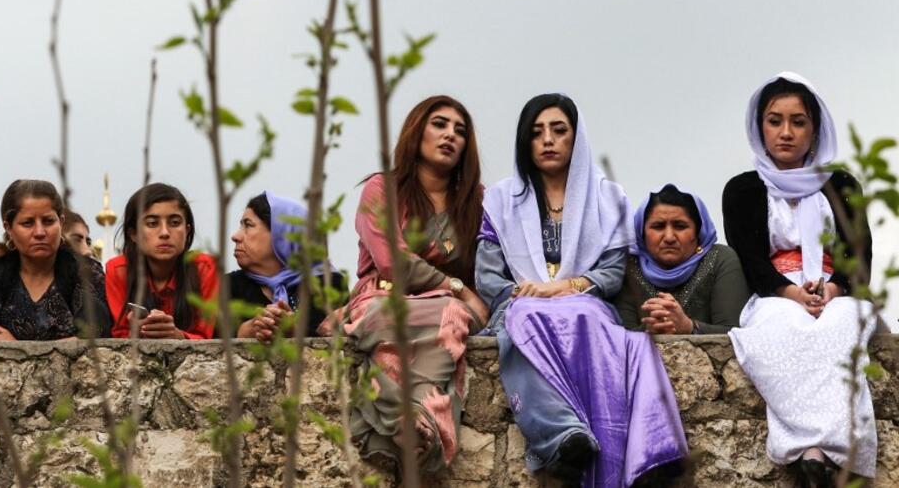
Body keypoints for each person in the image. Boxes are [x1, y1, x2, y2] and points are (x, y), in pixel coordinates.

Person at [475, 93, 687, 487]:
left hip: (584, 304)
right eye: (537, 133)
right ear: (525, 142)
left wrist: (565, 287)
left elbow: (612, 272)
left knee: (587, 318)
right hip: (521, 304)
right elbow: (488, 276)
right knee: (520, 321)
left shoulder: (608, 198)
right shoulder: (500, 199)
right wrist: (526, 295)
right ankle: (561, 436)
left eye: (559, 130)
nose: (549, 140)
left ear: (577, 138)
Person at [724, 72, 876, 485]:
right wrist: (791, 292)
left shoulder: (842, 184)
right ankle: (814, 449)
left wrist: (830, 288)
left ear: (815, 128)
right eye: (775, 121)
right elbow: (751, 258)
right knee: (780, 330)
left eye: (798, 122)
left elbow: (857, 254)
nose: (786, 133)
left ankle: (822, 451)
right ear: (760, 127)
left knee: (841, 327)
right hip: (775, 293)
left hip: (834, 290)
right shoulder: (742, 190)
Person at [343, 95, 489, 474]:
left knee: (449, 319)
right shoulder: (381, 189)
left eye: (460, 130)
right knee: (412, 314)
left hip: (446, 312)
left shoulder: (477, 202)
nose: (450, 135)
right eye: (439, 124)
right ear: (416, 131)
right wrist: (456, 286)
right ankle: (409, 422)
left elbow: (491, 263)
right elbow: (392, 261)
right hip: (383, 297)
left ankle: (418, 424)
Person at [0, 180, 112, 341]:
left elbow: (95, 336)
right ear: (8, 227)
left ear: (61, 222)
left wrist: (18, 347)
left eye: (48, 221)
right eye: (27, 223)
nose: (39, 232)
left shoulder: (85, 270)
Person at [616, 184, 750, 334]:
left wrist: (689, 327)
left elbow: (736, 334)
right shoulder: (628, 265)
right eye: (658, 226)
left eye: (680, 226)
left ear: (698, 232)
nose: (669, 237)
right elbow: (619, 338)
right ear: (642, 233)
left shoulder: (720, 259)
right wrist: (650, 329)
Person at [104, 183, 218, 340]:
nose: (164, 233)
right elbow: (120, 335)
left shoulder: (205, 268)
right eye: (152, 223)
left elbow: (206, 336)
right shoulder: (118, 269)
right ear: (133, 234)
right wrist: (136, 332)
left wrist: (177, 335)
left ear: (187, 230)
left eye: (175, 223)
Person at [229, 191, 346, 341]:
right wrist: (246, 330)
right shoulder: (229, 285)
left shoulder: (328, 284)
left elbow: (331, 344)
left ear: (282, 236)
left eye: (248, 226)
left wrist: (293, 331)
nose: (235, 236)